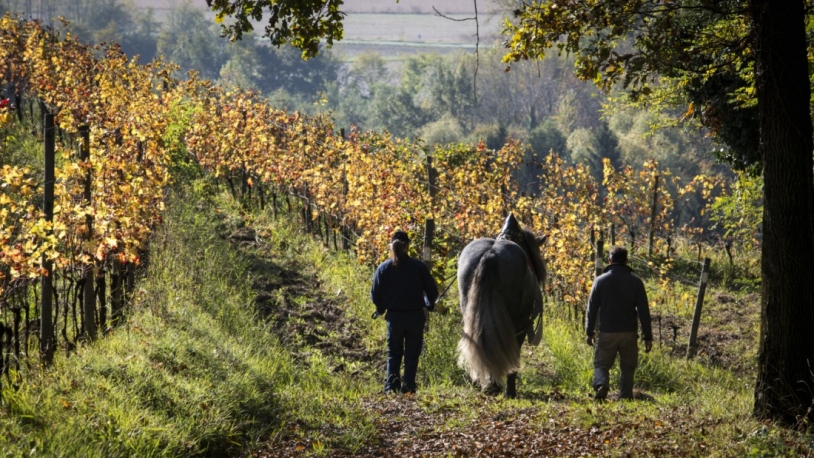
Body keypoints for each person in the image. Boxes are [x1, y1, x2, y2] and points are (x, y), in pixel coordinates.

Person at [371, 230, 439, 395]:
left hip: (394, 318)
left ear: (391, 245)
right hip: (415, 316)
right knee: (412, 353)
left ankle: (391, 387)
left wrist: (381, 307)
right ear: (408, 246)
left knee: (393, 353)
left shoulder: (383, 268)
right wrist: (429, 305)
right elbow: (432, 291)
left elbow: (375, 295)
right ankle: (408, 387)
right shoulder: (418, 267)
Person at [585, 246, 653, 400]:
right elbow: (644, 311)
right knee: (628, 368)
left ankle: (602, 384)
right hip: (629, 333)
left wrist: (589, 332)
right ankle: (626, 397)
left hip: (607, 332)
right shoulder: (636, 282)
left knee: (601, 364)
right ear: (626, 260)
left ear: (610, 260)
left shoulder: (600, 281)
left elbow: (592, 309)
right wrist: (647, 336)